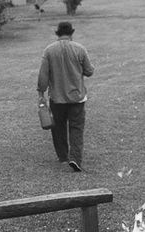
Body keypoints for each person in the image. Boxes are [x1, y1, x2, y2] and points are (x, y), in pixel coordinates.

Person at [37, 21, 94, 172]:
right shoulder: (80, 49)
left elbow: (43, 75)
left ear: (57, 33)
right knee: (76, 128)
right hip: (77, 98)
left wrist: (40, 92)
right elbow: (89, 71)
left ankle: (63, 156)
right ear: (71, 33)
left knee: (58, 127)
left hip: (57, 98)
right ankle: (75, 158)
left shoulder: (49, 50)